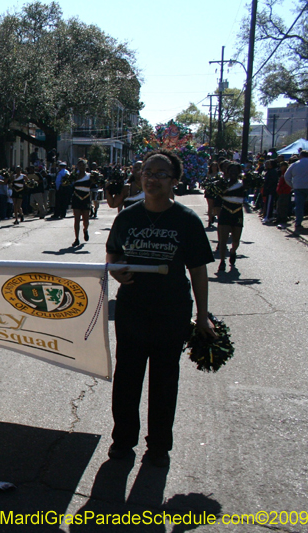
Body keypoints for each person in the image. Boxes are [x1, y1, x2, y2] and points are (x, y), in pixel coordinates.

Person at [106, 149, 216, 468]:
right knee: (127, 377)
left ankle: (158, 446)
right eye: (147, 173)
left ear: (174, 181)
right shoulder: (127, 217)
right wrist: (115, 271)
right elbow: (112, 254)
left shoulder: (187, 220)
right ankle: (123, 440)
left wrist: (202, 315)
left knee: (165, 379)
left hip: (172, 311)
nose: (151, 179)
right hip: (132, 310)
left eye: (160, 174)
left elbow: (198, 270)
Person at [216, 162, 245, 272]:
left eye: (235, 171)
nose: (233, 173)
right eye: (231, 171)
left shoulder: (243, 184)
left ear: (239, 172)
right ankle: (222, 261)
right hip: (225, 212)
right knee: (222, 240)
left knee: (236, 240)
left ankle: (233, 251)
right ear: (227, 172)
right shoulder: (222, 184)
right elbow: (217, 198)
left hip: (238, 212)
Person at [283, 149, 308, 231]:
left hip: (298, 187)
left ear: (300, 156)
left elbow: (286, 176)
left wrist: (292, 185)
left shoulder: (294, 164)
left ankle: (298, 222)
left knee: (299, 205)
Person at [70, 159, 93, 247]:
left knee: (86, 220)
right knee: (77, 219)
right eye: (80, 165)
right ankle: (76, 238)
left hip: (86, 198)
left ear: (86, 166)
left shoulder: (90, 176)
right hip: (76, 198)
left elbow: (96, 184)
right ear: (77, 166)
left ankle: (85, 230)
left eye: (83, 165)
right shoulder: (74, 176)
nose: (82, 167)